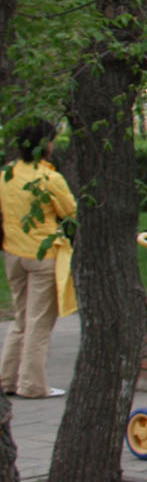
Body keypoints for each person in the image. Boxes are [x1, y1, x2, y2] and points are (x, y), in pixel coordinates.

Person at [1, 120, 77, 399]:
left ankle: (7, 379)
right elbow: (70, 211)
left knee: (21, 319)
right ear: (45, 145)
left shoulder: (7, 174)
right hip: (43, 255)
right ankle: (32, 385)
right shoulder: (49, 178)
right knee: (39, 323)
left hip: (13, 253)